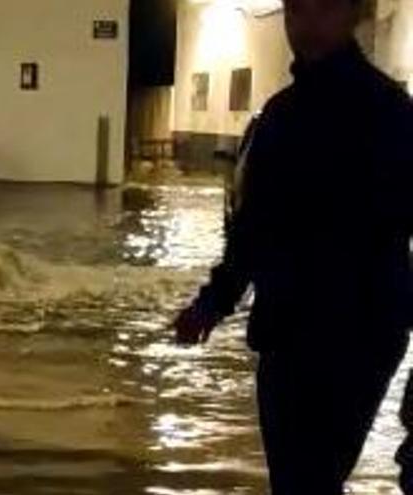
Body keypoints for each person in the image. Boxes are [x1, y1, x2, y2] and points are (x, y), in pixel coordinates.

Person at [172, 0, 413, 492]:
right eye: (296, 11)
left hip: (359, 334)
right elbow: (252, 230)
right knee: (298, 479)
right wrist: (212, 303)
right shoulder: (279, 117)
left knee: (309, 479)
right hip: (291, 332)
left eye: (323, 10)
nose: (306, 25)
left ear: (353, 15)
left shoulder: (390, 114)